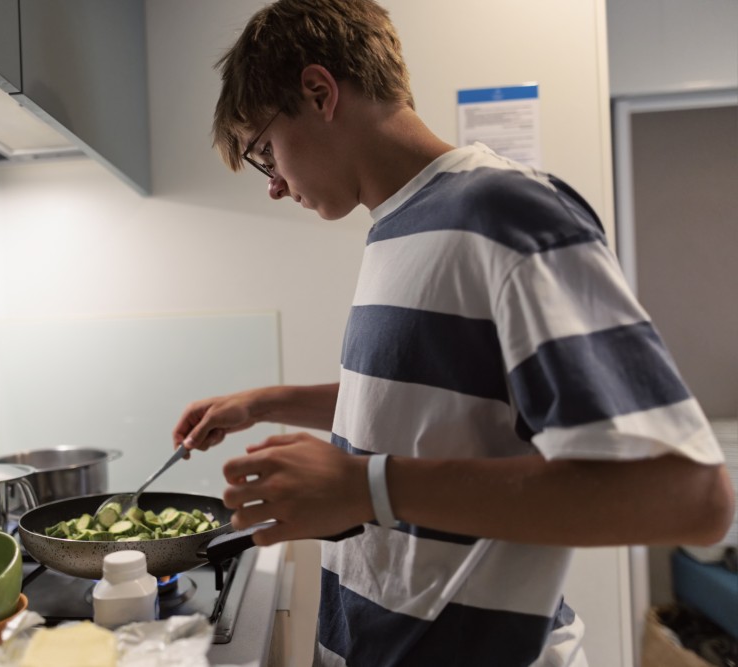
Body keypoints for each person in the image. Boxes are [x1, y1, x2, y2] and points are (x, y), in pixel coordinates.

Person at [171, 1, 735, 666]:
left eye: (264, 151)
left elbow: (690, 497)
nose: (273, 185)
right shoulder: (397, 226)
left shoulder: (503, 211)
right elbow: (437, 402)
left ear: (320, 92)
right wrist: (264, 402)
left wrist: (363, 488)